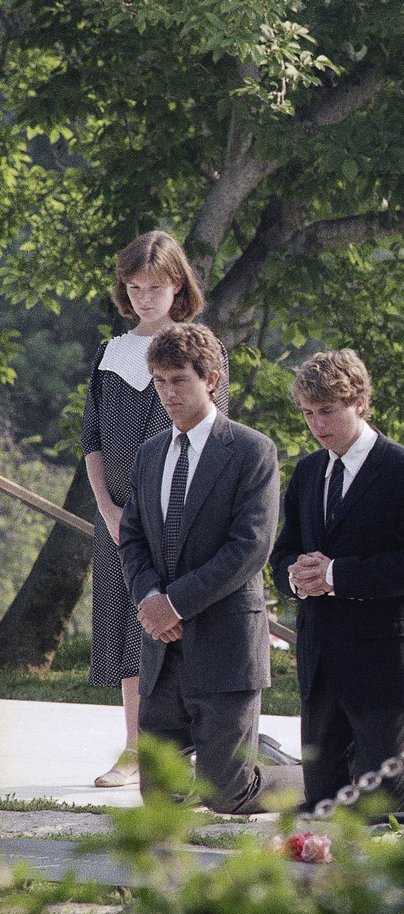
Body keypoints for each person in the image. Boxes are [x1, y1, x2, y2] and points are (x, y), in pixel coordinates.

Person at [119, 324, 300, 813]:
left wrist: (174, 602)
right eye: (159, 381)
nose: (168, 393)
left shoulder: (251, 451)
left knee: (227, 794)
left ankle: (316, 777)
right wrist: (150, 600)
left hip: (225, 646)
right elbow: (132, 537)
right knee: (159, 800)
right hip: (162, 650)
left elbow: (250, 548)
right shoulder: (149, 453)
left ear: (212, 379)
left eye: (179, 380)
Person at [269, 350, 404, 811]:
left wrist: (336, 575)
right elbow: (284, 551)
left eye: (328, 411)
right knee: (324, 798)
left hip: (384, 659)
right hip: (320, 658)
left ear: (361, 403)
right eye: (309, 413)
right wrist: (296, 577)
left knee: (381, 798)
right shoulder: (308, 471)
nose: (317, 424)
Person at [82, 231, 228, 788]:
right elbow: (92, 439)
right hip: (116, 518)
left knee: (174, 623)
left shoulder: (200, 347)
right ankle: (134, 748)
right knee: (126, 624)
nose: (145, 297)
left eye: (157, 287)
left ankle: (181, 750)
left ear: (178, 287)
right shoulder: (109, 352)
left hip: (177, 515)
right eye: (135, 287)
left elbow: (212, 439)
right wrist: (108, 511)